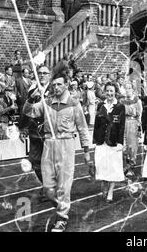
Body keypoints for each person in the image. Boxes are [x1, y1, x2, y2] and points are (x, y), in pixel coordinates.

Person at [22, 71, 90, 232]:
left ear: (66, 85)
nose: (56, 87)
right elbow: (28, 111)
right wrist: (31, 98)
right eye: (53, 85)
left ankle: (62, 218)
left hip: (66, 145)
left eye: (59, 84)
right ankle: (62, 208)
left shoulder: (74, 103)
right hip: (48, 145)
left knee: (63, 187)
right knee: (48, 189)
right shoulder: (46, 102)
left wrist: (87, 152)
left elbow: (82, 128)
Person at [18, 65, 51, 196]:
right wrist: (23, 127)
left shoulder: (54, 89)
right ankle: (45, 186)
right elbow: (26, 110)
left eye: (45, 73)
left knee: (49, 162)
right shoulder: (32, 89)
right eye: (40, 73)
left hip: (49, 132)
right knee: (35, 161)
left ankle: (51, 187)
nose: (42, 75)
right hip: (34, 131)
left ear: (49, 75)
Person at [93, 82, 126, 203]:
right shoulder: (100, 105)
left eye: (111, 91)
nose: (109, 93)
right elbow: (97, 124)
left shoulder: (120, 107)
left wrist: (120, 143)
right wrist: (95, 140)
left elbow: (121, 126)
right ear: (105, 92)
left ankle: (110, 191)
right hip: (101, 142)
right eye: (107, 91)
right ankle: (104, 184)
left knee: (113, 167)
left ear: (115, 92)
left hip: (113, 142)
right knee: (102, 166)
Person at [121, 81, 142, 178]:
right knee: (123, 146)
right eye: (126, 88)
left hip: (133, 123)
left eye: (130, 88)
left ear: (133, 90)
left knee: (132, 146)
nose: (128, 90)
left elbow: (139, 115)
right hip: (123, 123)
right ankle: (125, 165)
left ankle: (131, 167)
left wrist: (139, 128)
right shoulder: (122, 101)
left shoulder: (137, 101)